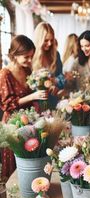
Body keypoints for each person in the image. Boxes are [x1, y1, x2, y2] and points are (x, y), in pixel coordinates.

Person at [0, 35, 47, 178]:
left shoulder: (26, 69)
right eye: (26, 57)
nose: (29, 60)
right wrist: (33, 96)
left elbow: (32, 90)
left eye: (31, 56)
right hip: (13, 123)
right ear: (14, 54)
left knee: (29, 161)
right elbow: (6, 104)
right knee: (15, 161)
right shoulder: (5, 74)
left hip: (29, 119)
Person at [33, 22, 65, 109]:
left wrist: (55, 82)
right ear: (39, 40)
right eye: (46, 40)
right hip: (36, 102)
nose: (50, 43)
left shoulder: (55, 54)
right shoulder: (31, 56)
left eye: (51, 40)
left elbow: (61, 77)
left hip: (52, 100)